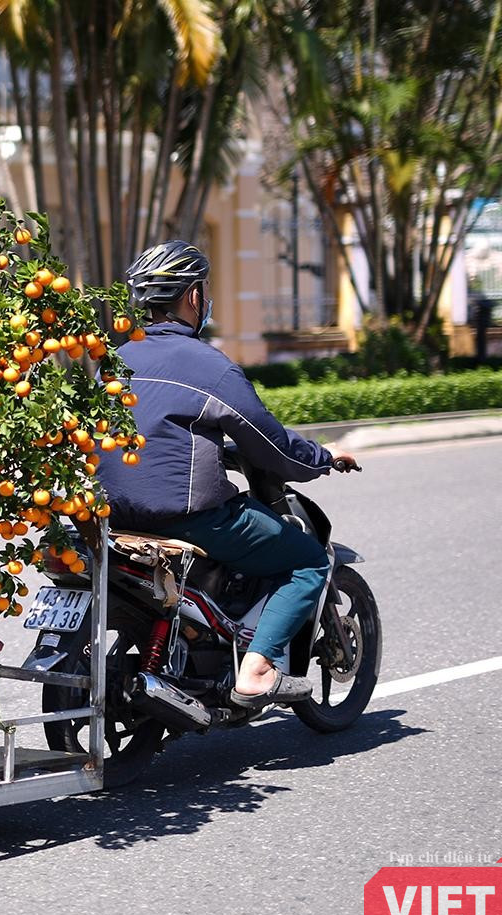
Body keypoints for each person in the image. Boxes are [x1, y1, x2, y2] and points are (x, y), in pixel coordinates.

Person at [96, 240, 360, 709]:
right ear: (194, 297)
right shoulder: (210, 367)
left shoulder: (116, 360)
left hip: (112, 514)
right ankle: (257, 669)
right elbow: (275, 446)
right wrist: (322, 457)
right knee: (307, 561)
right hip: (187, 518)